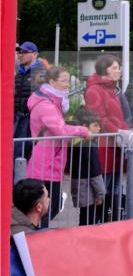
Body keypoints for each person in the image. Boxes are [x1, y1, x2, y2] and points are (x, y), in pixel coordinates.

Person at [26, 66, 91, 227]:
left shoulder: (52, 101)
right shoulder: (45, 104)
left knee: (50, 205)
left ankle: (38, 231)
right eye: (63, 81)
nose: (67, 85)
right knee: (48, 205)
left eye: (68, 81)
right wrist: (82, 130)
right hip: (44, 160)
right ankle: (36, 232)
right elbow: (59, 129)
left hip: (50, 158)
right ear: (52, 82)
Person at [85, 55, 129, 222]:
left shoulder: (111, 89)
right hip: (104, 149)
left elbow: (117, 117)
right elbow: (99, 119)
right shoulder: (94, 90)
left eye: (119, 67)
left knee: (114, 193)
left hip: (115, 147)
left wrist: (123, 132)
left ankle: (109, 224)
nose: (119, 71)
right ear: (105, 70)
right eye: (115, 68)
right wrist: (119, 132)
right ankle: (97, 225)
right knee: (102, 194)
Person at [69, 108, 106, 225]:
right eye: (95, 125)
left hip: (80, 186)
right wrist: (101, 193)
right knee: (89, 220)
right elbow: (95, 171)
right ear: (85, 127)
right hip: (88, 189)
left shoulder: (78, 145)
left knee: (84, 217)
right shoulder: (90, 146)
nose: (99, 128)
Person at [13, 41, 48, 157]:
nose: (21, 55)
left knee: (23, 150)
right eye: (20, 52)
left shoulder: (41, 72)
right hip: (17, 116)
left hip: (30, 118)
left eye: (25, 52)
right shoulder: (18, 71)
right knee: (15, 148)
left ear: (35, 54)